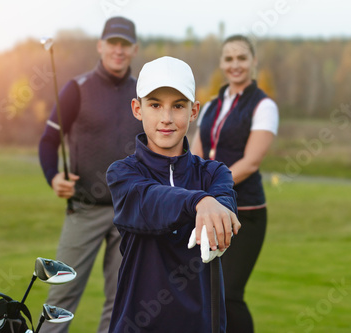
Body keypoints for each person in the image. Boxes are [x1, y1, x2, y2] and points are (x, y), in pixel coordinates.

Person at [106, 56, 241, 333]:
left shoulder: (215, 174)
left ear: (194, 111)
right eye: (155, 105)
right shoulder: (122, 173)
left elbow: (225, 206)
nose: (166, 118)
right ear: (137, 108)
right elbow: (149, 200)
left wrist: (218, 210)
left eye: (178, 106)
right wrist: (199, 202)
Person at [38, 16, 142, 333]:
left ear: (134, 49)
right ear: (100, 46)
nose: (118, 50)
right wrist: (53, 176)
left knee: (122, 299)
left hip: (129, 213)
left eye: (125, 44)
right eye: (113, 43)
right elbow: (48, 140)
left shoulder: (144, 93)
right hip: (83, 210)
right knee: (61, 297)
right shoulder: (76, 89)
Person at [191, 35, 279, 333]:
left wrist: (211, 192)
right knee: (206, 296)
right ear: (221, 64)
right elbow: (194, 155)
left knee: (229, 295)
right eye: (229, 59)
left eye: (242, 58)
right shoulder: (211, 106)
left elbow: (251, 162)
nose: (235, 64)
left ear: (254, 62)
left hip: (246, 212)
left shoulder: (264, 106)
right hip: (208, 214)